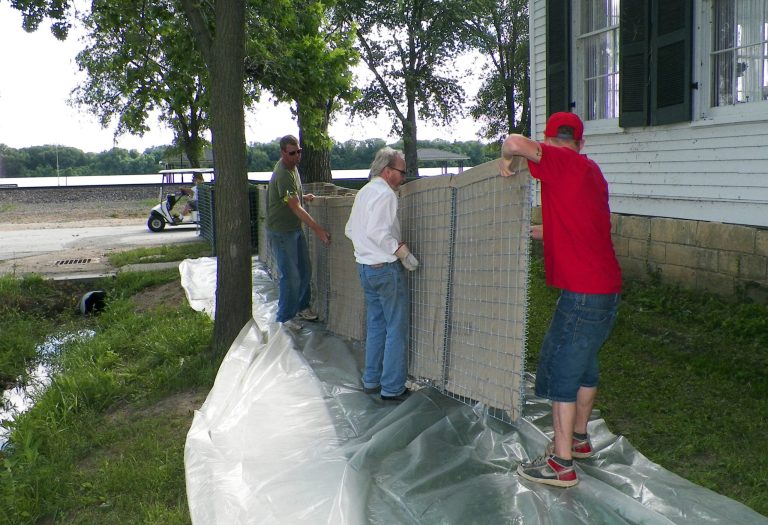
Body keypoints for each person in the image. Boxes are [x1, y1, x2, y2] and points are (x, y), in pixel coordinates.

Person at [499, 112, 621, 488]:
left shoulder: (558, 161)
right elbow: (573, 227)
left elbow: (514, 142)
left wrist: (508, 161)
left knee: (561, 369)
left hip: (582, 294)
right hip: (605, 290)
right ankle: (581, 440)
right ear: (581, 143)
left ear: (550, 141)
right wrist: (528, 231)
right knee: (584, 366)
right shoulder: (589, 172)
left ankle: (561, 463)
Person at [345, 147, 419, 402]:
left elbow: (350, 230)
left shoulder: (364, 192)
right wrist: (401, 252)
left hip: (365, 269)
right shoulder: (387, 195)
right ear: (387, 172)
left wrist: (366, 251)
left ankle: (371, 380)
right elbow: (379, 232)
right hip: (385, 269)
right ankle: (392, 388)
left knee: (376, 326)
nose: (404, 177)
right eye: (401, 171)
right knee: (396, 329)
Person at [267, 135, 331, 330]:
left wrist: (304, 196)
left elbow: (293, 197)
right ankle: (285, 318)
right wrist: (318, 229)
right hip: (281, 232)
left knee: (305, 270)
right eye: (292, 153)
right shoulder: (283, 174)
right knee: (291, 275)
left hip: (294, 229)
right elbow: (294, 206)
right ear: (282, 153)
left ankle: (302, 306)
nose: (297, 156)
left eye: (299, 152)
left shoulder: (293, 168)